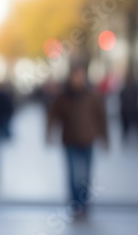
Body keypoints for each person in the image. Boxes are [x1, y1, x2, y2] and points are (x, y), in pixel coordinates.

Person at [46, 64, 108, 221]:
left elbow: (101, 117)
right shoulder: (63, 96)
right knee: (73, 175)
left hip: (88, 140)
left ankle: (84, 204)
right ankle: (75, 204)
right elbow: (53, 115)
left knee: (86, 175)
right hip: (70, 141)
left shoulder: (91, 96)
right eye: (75, 76)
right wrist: (49, 134)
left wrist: (104, 137)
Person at [119, 70, 138, 143]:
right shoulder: (125, 89)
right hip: (126, 111)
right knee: (125, 127)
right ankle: (125, 138)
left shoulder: (134, 88)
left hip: (131, 110)